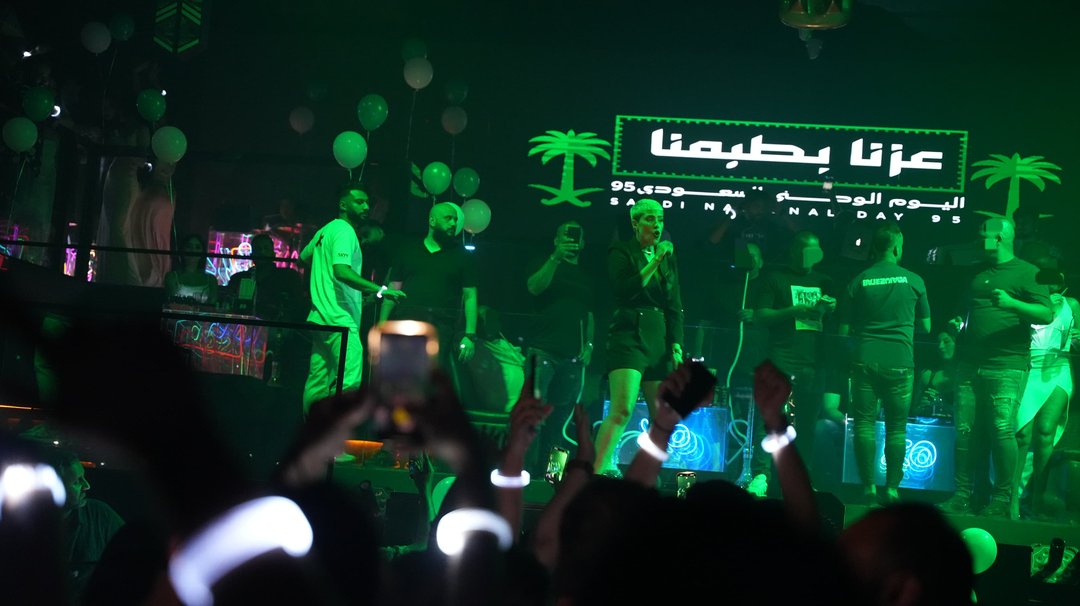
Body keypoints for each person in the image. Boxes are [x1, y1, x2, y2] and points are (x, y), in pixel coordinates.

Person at [939, 217, 1053, 518]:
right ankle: (963, 494)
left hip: (1007, 365)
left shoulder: (1028, 272)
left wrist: (1013, 304)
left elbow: (1046, 314)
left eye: (983, 235)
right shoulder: (976, 273)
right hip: (969, 365)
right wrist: (953, 328)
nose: (979, 240)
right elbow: (963, 313)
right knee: (965, 431)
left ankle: (1002, 499)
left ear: (1000, 238)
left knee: (1001, 430)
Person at [837, 223, 932, 505]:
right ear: (896, 247)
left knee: (864, 426)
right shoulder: (914, 280)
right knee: (897, 428)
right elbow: (927, 326)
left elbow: (843, 331)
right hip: (900, 361)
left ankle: (868, 487)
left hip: (865, 359)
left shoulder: (859, 280)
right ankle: (892, 489)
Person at [593, 199, 684, 476]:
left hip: (658, 337)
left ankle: (646, 475)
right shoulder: (621, 251)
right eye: (650, 219)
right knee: (622, 409)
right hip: (629, 334)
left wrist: (676, 344)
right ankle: (597, 470)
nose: (657, 225)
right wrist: (655, 259)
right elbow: (625, 289)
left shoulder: (668, 258)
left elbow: (674, 304)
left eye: (660, 219)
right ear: (635, 223)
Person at [299, 182, 404, 411]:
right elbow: (342, 271)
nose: (366, 206)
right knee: (349, 382)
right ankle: (337, 431)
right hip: (340, 319)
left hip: (320, 317)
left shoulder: (325, 230)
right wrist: (380, 290)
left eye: (367, 202)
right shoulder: (344, 231)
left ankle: (314, 429)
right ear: (343, 204)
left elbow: (304, 257)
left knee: (318, 381)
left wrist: (326, 282)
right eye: (359, 201)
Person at [752, 230, 836, 479]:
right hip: (781, 358)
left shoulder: (825, 281)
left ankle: (801, 478)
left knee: (808, 424)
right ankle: (761, 475)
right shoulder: (776, 278)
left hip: (814, 362)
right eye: (806, 250)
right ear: (794, 251)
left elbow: (838, 322)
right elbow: (760, 316)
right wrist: (792, 311)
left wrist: (832, 307)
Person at [379, 202, 479, 385]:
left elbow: (470, 296)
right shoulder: (407, 250)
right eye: (448, 218)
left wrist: (470, 334)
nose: (453, 223)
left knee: (430, 380)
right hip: (406, 325)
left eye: (455, 219)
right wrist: (382, 326)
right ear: (432, 221)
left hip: (440, 328)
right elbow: (393, 290)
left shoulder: (462, 256)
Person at [524, 220, 595, 467]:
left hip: (572, 357)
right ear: (556, 240)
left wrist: (589, 345)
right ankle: (525, 473)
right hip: (542, 350)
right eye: (565, 235)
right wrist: (555, 257)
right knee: (533, 414)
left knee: (560, 419)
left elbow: (590, 314)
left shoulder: (586, 277)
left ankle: (551, 474)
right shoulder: (544, 263)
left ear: (583, 243)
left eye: (576, 237)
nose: (571, 240)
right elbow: (534, 288)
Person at [1013, 259, 1077, 519]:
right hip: (1029, 367)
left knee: (1045, 431)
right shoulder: (1027, 301)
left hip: (1058, 367)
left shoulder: (1071, 304)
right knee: (1021, 433)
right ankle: (1011, 500)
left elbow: (1077, 339)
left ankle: (1038, 499)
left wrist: (1077, 340)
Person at [41, 448, 125, 602]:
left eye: (83, 477)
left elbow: (135, 555)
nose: (87, 485)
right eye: (76, 481)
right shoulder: (24, 527)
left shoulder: (100, 514)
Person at [226, 233, 304, 321]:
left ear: (273, 254)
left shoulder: (288, 277)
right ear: (251, 255)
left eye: (266, 249)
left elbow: (297, 308)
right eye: (258, 249)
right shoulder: (239, 279)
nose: (262, 252)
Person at [914, 328, 958, 418]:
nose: (940, 346)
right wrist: (921, 407)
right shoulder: (927, 375)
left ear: (957, 343)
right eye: (938, 343)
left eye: (946, 342)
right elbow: (913, 412)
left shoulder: (968, 376)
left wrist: (943, 406)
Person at [164, 233, 218, 306]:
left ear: (202, 253)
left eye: (197, 247)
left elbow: (212, 308)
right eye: (189, 247)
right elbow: (171, 305)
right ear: (183, 250)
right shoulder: (171, 277)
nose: (193, 250)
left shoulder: (211, 280)